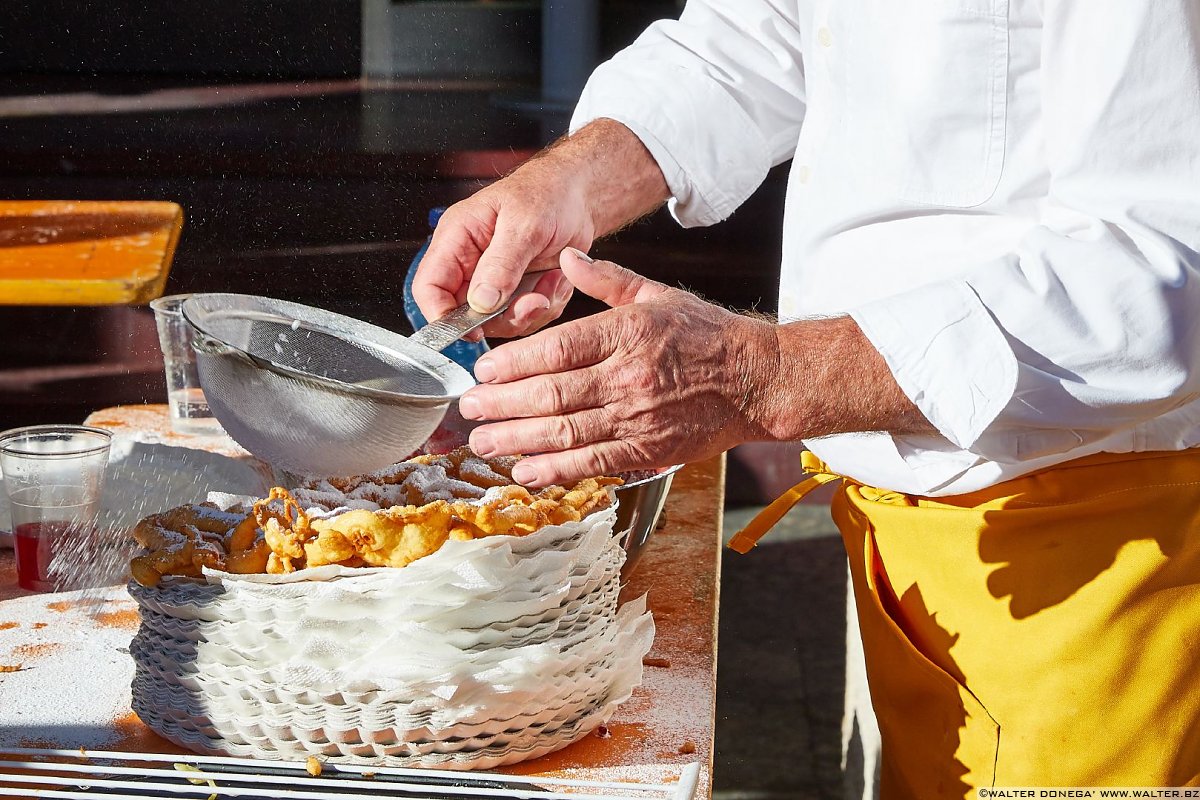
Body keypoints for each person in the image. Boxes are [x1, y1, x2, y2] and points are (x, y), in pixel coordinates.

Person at [413, 1, 1200, 796]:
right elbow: (762, 31)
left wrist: (766, 375)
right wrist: (574, 178)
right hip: (898, 540)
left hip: (1105, 556)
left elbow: (1170, 265)